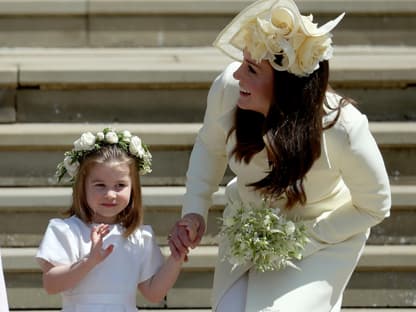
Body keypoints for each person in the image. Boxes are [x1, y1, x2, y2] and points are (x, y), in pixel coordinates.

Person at [168, 0, 391, 311]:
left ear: (287, 84)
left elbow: (376, 205)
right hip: (247, 228)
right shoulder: (228, 88)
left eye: (251, 69)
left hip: (321, 242)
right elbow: (209, 146)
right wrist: (194, 210)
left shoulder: (343, 128)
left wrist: (308, 237)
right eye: (242, 62)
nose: (238, 76)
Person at [36, 128, 192, 311]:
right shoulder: (66, 231)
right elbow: (51, 284)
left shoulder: (139, 236)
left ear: (133, 188)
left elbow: (153, 293)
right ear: (82, 186)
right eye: (100, 185)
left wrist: (176, 258)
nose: (110, 194)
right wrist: (89, 261)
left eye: (120, 185)